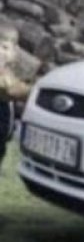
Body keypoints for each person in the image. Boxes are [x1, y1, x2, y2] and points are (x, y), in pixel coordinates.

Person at [0, 23, 29, 168]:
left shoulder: (8, 74)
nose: (0, 52)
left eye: (5, 47)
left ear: (15, 52)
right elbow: (10, 91)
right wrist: (32, 92)